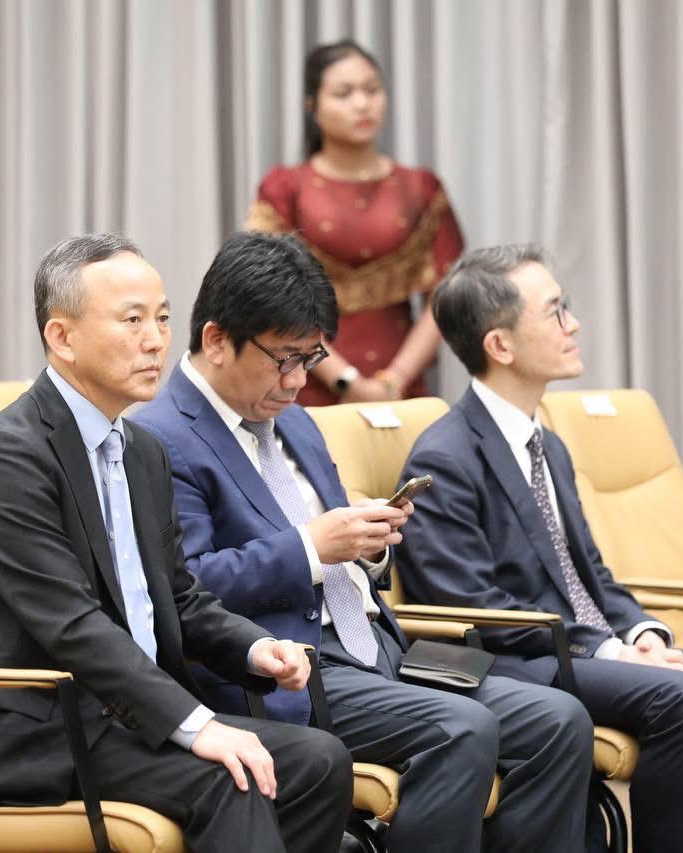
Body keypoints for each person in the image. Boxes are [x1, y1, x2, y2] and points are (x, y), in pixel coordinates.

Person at [136, 232, 592, 853]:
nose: (298, 381)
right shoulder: (161, 438)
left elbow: (336, 548)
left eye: (312, 358)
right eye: (284, 359)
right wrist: (311, 547)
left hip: (378, 647)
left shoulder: (295, 421)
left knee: (559, 719)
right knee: (461, 729)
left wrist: (370, 544)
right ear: (217, 340)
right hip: (287, 669)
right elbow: (186, 587)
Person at [0, 234, 354, 853]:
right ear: (62, 338)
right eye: (132, 320)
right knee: (233, 778)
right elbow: (71, 624)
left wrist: (257, 648)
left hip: (122, 716)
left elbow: (178, 595)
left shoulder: (142, 450)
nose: (156, 341)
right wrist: (196, 726)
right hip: (32, 729)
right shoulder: (10, 454)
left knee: (319, 762)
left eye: (163, 318)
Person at [397, 244, 683, 852]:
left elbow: (589, 574)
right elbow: (469, 607)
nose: (573, 325)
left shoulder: (547, 445)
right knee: (682, 697)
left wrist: (641, 632)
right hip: (520, 661)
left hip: (593, 650)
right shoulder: (446, 456)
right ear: (500, 345)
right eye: (555, 311)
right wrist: (608, 650)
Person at [245, 39, 464, 406]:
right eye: (344, 94)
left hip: (401, 390)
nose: (362, 104)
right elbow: (269, 297)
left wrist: (394, 381)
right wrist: (345, 381)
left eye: (372, 90)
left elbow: (442, 297)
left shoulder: (421, 188)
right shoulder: (285, 190)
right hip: (304, 382)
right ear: (312, 106)